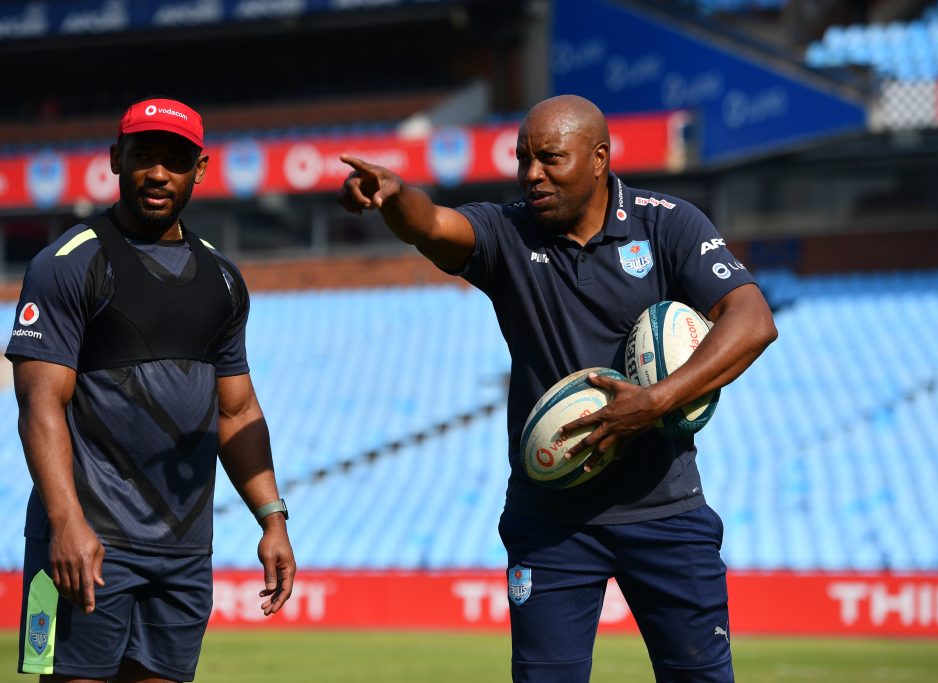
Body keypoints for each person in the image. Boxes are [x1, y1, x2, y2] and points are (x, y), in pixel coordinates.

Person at [337, 94, 777, 682]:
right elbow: (434, 224)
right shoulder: (507, 232)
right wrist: (397, 198)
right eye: (523, 160)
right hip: (551, 523)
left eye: (550, 158)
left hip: (665, 511)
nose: (531, 175)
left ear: (599, 158)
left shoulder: (667, 222)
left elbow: (752, 320)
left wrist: (654, 403)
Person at [6, 97, 296, 683]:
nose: (159, 173)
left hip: (184, 554)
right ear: (117, 159)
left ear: (201, 170)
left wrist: (272, 519)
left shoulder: (222, 279)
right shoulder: (66, 264)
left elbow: (236, 412)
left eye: (176, 160)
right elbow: (40, 404)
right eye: (144, 156)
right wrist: (65, 523)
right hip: (84, 543)